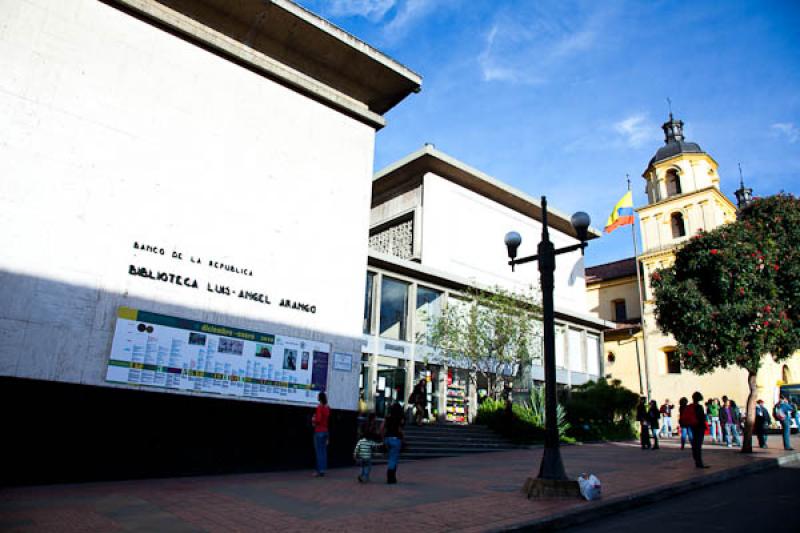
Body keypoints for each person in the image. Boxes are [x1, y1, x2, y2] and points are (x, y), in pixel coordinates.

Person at [381, 401, 404, 484]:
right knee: (394, 458)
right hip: (396, 439)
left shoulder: (387, 417)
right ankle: (391, 477)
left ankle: (392, 477)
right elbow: (400, 430)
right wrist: (403, 437)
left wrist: (382, 437)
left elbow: (382, 427)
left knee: (391, 457)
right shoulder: (399, 418)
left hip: (387, 438)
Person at [311, 391, 330, 477]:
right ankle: (323, 470)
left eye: (318, 396)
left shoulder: (319, 407)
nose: (317, 397)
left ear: (320, 398)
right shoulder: (327, 408)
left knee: (318, 451)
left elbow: (318, 419)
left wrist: (313, 419)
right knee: (323, 451)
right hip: (325, 431)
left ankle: (318, 471)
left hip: (319, 431)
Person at [689, 391, 709, 468]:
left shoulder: (691, 406)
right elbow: (702, 418)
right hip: (699, 427)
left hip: (693, 426)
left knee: (695, 444)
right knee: (698, 445)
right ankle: (699, 462)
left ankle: (697, 461)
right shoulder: (699, 407)